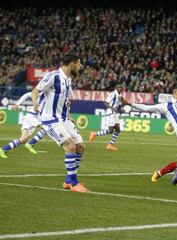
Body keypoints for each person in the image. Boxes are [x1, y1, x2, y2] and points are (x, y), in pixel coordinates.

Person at [31, 53, 89, 193]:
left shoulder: (68, 80)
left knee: (80, 147)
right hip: (50, 119)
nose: (80, 67)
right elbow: (35, 91)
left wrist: (69, 116)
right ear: (72, 64)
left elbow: (64, 102)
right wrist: (35, 105)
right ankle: (74, 184)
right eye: (79, 64)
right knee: (70, 145)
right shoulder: (53, 76)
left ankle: (68, 181)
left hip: (64, 119)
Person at [0, 92, 46, 159]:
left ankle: (3, 149)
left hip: (32, 116)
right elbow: (27, 94)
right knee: (47, 128)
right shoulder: (43, 92)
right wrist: (17, 104)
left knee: (23, 139)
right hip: (32, 116)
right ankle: (31, 143)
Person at [89, 84, 123, 150]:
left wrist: (122, 109)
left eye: (121, 88)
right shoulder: (113, 94)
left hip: (115, 114)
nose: (121, 89)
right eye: (119, 87)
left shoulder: (119, 96)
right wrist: (112, 108)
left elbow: (118, 106)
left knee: (118, 130)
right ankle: (94, 134)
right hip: (110, 113)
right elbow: (106, 102)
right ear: (116, 88)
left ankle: (110, 145)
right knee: (110, 130)